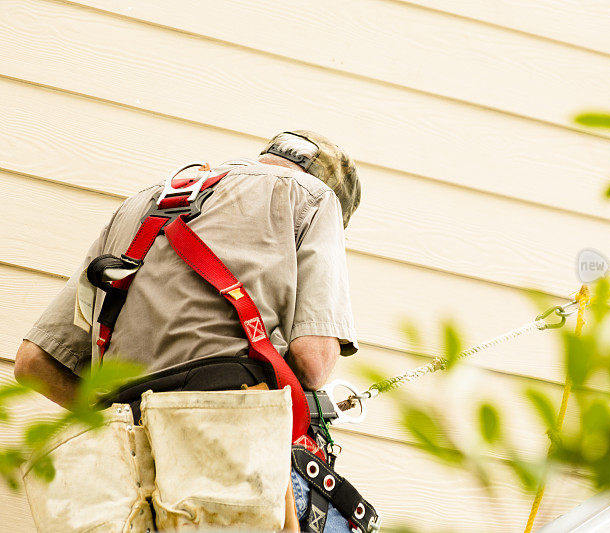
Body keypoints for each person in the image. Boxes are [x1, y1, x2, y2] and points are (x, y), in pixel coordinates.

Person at [15, 130, 364, 532]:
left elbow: (34, 363)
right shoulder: (315, 197)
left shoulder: (142, 205)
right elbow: (313, 361)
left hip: (123, 478)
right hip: (230, 452)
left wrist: (126, 428)